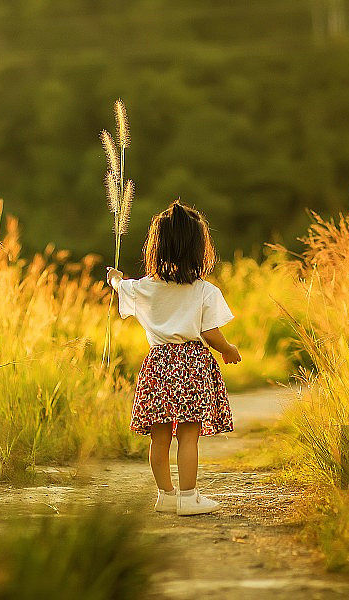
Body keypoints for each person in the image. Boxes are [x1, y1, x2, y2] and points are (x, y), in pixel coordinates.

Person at [106, 200, 241, 516]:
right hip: (192, 366)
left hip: (158, 365)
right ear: (199, 248)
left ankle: (165, 495)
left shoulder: (145, 288)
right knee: (189, 437)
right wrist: (228, 349)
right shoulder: (205, 291)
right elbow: (210, 333)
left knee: (160, 436)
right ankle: (188, 497)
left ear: (157, 246)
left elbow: (119, 286)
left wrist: (114, 277)